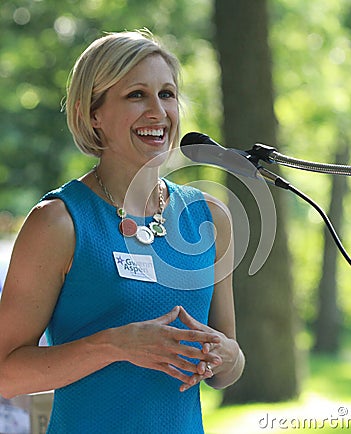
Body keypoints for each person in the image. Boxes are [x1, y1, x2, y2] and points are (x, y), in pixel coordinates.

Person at [0, 30, 245, 433]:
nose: (158, 112)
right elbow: (8, 373)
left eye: (167, 94)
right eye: (136, 95)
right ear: (92, 114)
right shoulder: (58, 222)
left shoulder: (210, 218)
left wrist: (227, 356)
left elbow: (227, 367)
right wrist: (115, 345)